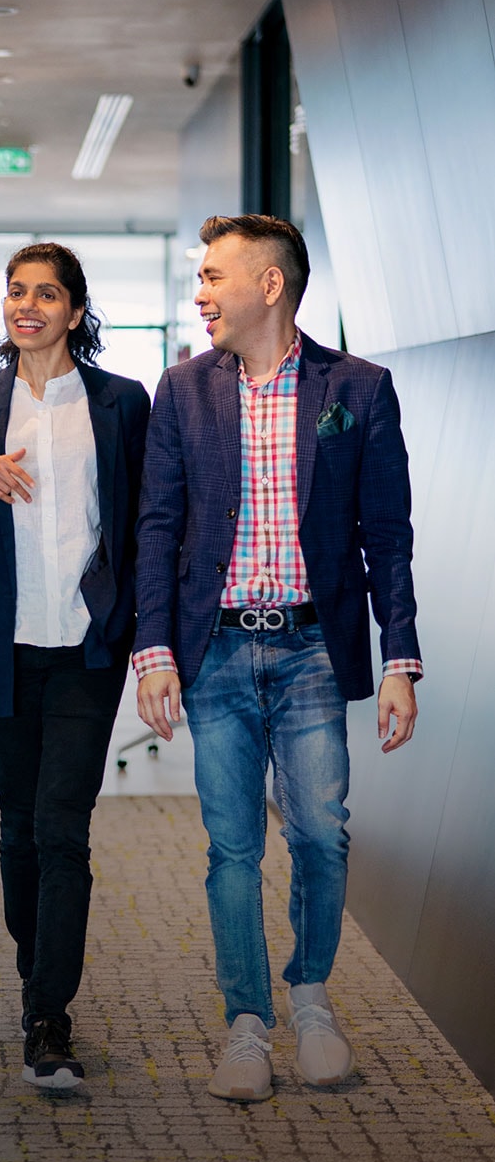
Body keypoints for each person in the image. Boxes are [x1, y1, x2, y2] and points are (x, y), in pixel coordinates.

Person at [134, 214, 421, 1102]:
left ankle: (310, 997)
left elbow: (387, 536)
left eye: (212, 275)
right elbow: (158, 526)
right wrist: (153, 650)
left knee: (319, 835)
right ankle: (246, 1023)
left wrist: (398, 658)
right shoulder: (182, 389)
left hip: (310, 649)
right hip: (214, 647)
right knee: (231, 848)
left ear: (269, 284)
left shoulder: (357, 387)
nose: (199, 292)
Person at [0, 243, 150, 1089]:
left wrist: (143, 633)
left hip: (87, 649)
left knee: (63, 825)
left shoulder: (120, 402)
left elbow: (139, 523)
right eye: (15, 291)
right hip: (3, 646)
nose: (26, 305)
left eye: (46, 294)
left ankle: (47, 1013)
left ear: (74, 310)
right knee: (18, 825)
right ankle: (38, 972)